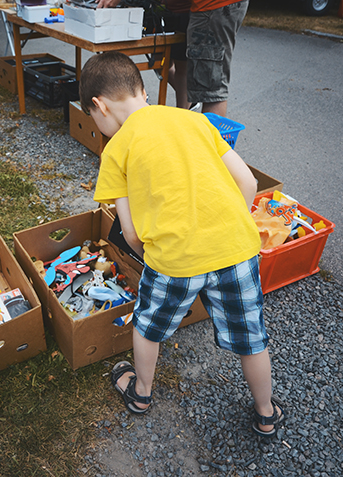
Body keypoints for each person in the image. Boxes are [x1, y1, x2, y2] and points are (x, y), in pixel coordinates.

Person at [80, 52, 285, 437]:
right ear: (142, 90)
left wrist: (150, 260)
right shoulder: (195, 119)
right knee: (250, 337)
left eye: (95, 120)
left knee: (148, 326)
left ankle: (141, 393)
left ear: (99, 106)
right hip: (236, 252)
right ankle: (265, 412)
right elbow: (248, 183)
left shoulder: (116, 150)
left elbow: (132, 233)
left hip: (174, 260)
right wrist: (231, 228)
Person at [186, 0, 249, 117]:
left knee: (211, 89)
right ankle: (211, 133)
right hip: (217, 7)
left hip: (212, 7)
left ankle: (212, 135)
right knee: (211, 84)